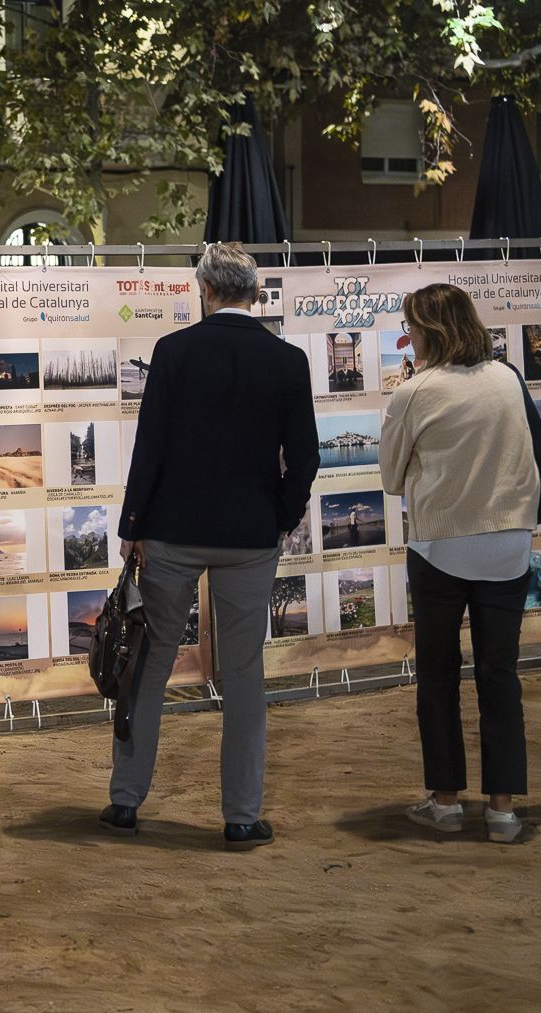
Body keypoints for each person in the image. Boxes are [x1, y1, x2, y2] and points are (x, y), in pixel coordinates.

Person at [102, 242, 318, 851]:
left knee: (152, 661)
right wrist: (278, 516)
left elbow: (152, 450)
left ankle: (125, 802)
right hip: (250, 537)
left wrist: (133, 525)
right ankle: (242, 817)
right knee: (245, 673)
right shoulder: (288, 360)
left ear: (205, 291)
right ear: (256, 292)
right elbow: (304, 458)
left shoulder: (173, 352)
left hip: (171, 530)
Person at [379, 283, 538, 845]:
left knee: (438, 675)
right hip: (508, 545)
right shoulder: (507, 379)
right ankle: (502, 811)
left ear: (428, 331)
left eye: (411, 326)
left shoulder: (414, 392)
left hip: (441, 547)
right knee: (501, 676)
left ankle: (446, 802)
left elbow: (392, 478)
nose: (409, 335)